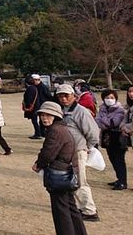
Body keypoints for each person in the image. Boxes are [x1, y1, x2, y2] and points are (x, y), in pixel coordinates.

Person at [32, 102, 87, 235]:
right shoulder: (62, 128)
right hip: (67, 173)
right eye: (42, 115)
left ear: (56, 116)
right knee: (71, 207)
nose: (45, 118)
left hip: (59, 175)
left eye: (48, 115)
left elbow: (48, 153)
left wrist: (38, 164)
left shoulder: (55, 131)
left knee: (61, 212)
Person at [56, 84, 100, 222]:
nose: (63, 99)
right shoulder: (62, 110)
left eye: (66, 95)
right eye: (60, 96)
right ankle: (79, 206)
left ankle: (89, 210)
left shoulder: (81, 111)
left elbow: (93, 132)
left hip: (78, 151)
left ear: (73, 96)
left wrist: (87, 147)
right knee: (70, 181)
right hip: (65, 152)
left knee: (80, 181)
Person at [95, 89, 127, 190]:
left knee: (119, 159)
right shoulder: (102, 108)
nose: (109, 99)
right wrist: (105, 121)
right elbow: (97, 122)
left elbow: (114, 123)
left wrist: (103, 119)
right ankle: (119, 178)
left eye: (112, 98)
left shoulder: (120, 110)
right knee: (112, 158)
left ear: (116, 99)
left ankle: (123, 181)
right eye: (107, 97)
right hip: (107, 136)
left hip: (118, 136)